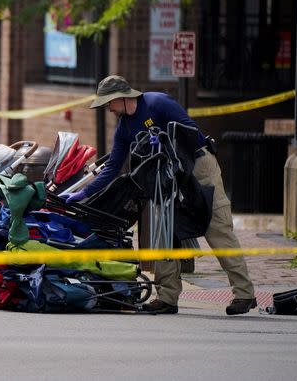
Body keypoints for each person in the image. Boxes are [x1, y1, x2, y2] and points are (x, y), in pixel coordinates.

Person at [62, 75, 257, 315]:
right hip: (165, 177)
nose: (108, 109)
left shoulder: (157, 103)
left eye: (108, 103)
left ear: (121, 98)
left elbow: (191, 135)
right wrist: (84, 192)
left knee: (216, 227)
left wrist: (165, 145)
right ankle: (167, 297)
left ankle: (244, 294)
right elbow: (113, 166)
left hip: (197, 166)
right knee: (165, 232)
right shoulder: (124, 128)